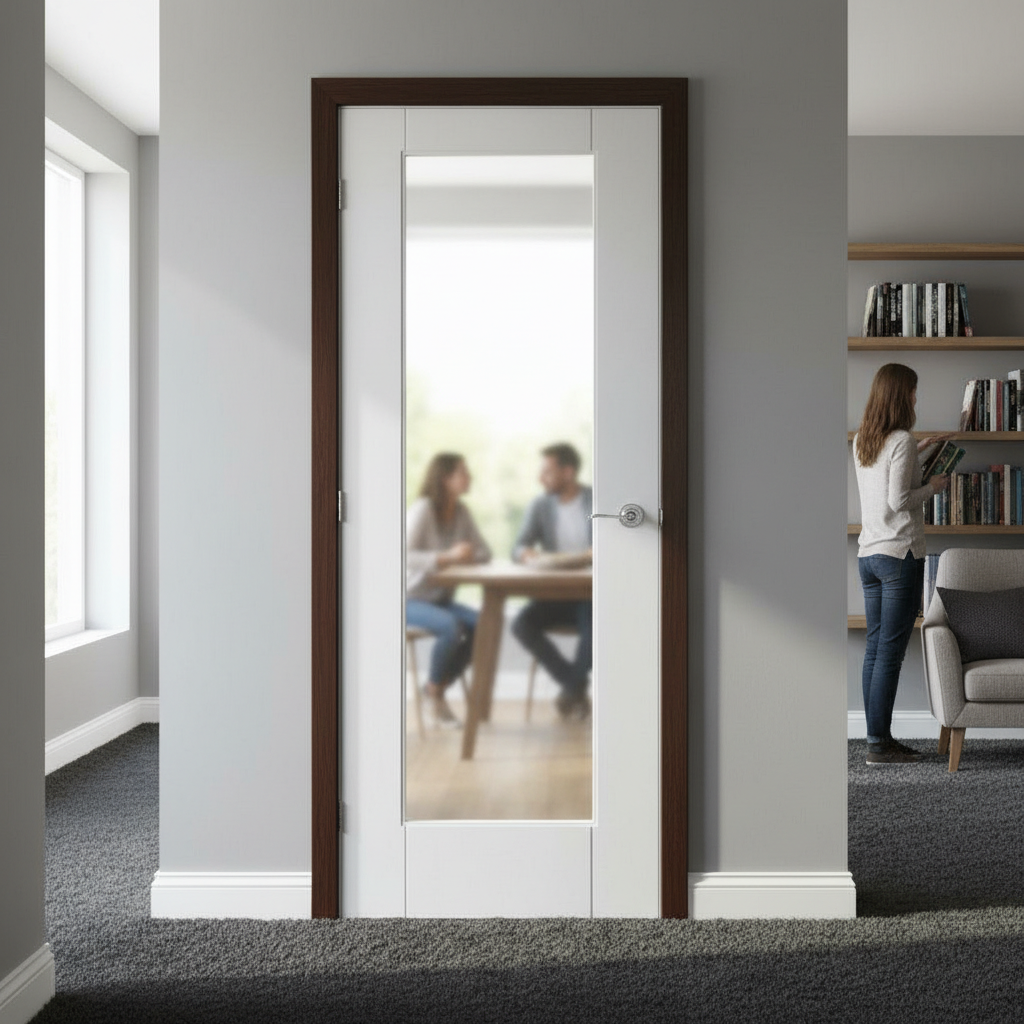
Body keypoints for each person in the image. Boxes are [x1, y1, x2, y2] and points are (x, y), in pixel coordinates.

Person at [853, 363, 951, 765]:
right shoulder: (902, 441)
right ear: (900, 395)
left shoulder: (863, 440)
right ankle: (881, 745)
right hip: (900, 555)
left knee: (875, 650)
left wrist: (920, 450)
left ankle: (877, 739)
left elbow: (882, 488)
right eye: (913, 391)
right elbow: (898, 501)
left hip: (869, 555)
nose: (915, 398)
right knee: (890, 655)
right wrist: (934, 486)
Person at [406, 453, 491, 727]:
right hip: (410, 598)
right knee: (451, 627)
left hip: (440, 598)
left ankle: (434, 688)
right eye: (463, 473)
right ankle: (435, 695)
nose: (470, 478)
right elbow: (401, 554)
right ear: (445, 479)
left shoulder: (462, 511)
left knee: (485, 625)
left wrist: (466, 554)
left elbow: (484, 552)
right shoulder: (423, 509)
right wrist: (446, 558)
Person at [511, 442, 593, 720]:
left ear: (568, 472)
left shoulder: (597, 500)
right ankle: (574, 684)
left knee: (597, 628)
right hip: (553, 595)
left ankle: (571, 688)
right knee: (521, 623)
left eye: (547, 472)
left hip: (590, 596)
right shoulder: (541, 505)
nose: (540, 478)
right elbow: (518, 546)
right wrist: (525, 553)